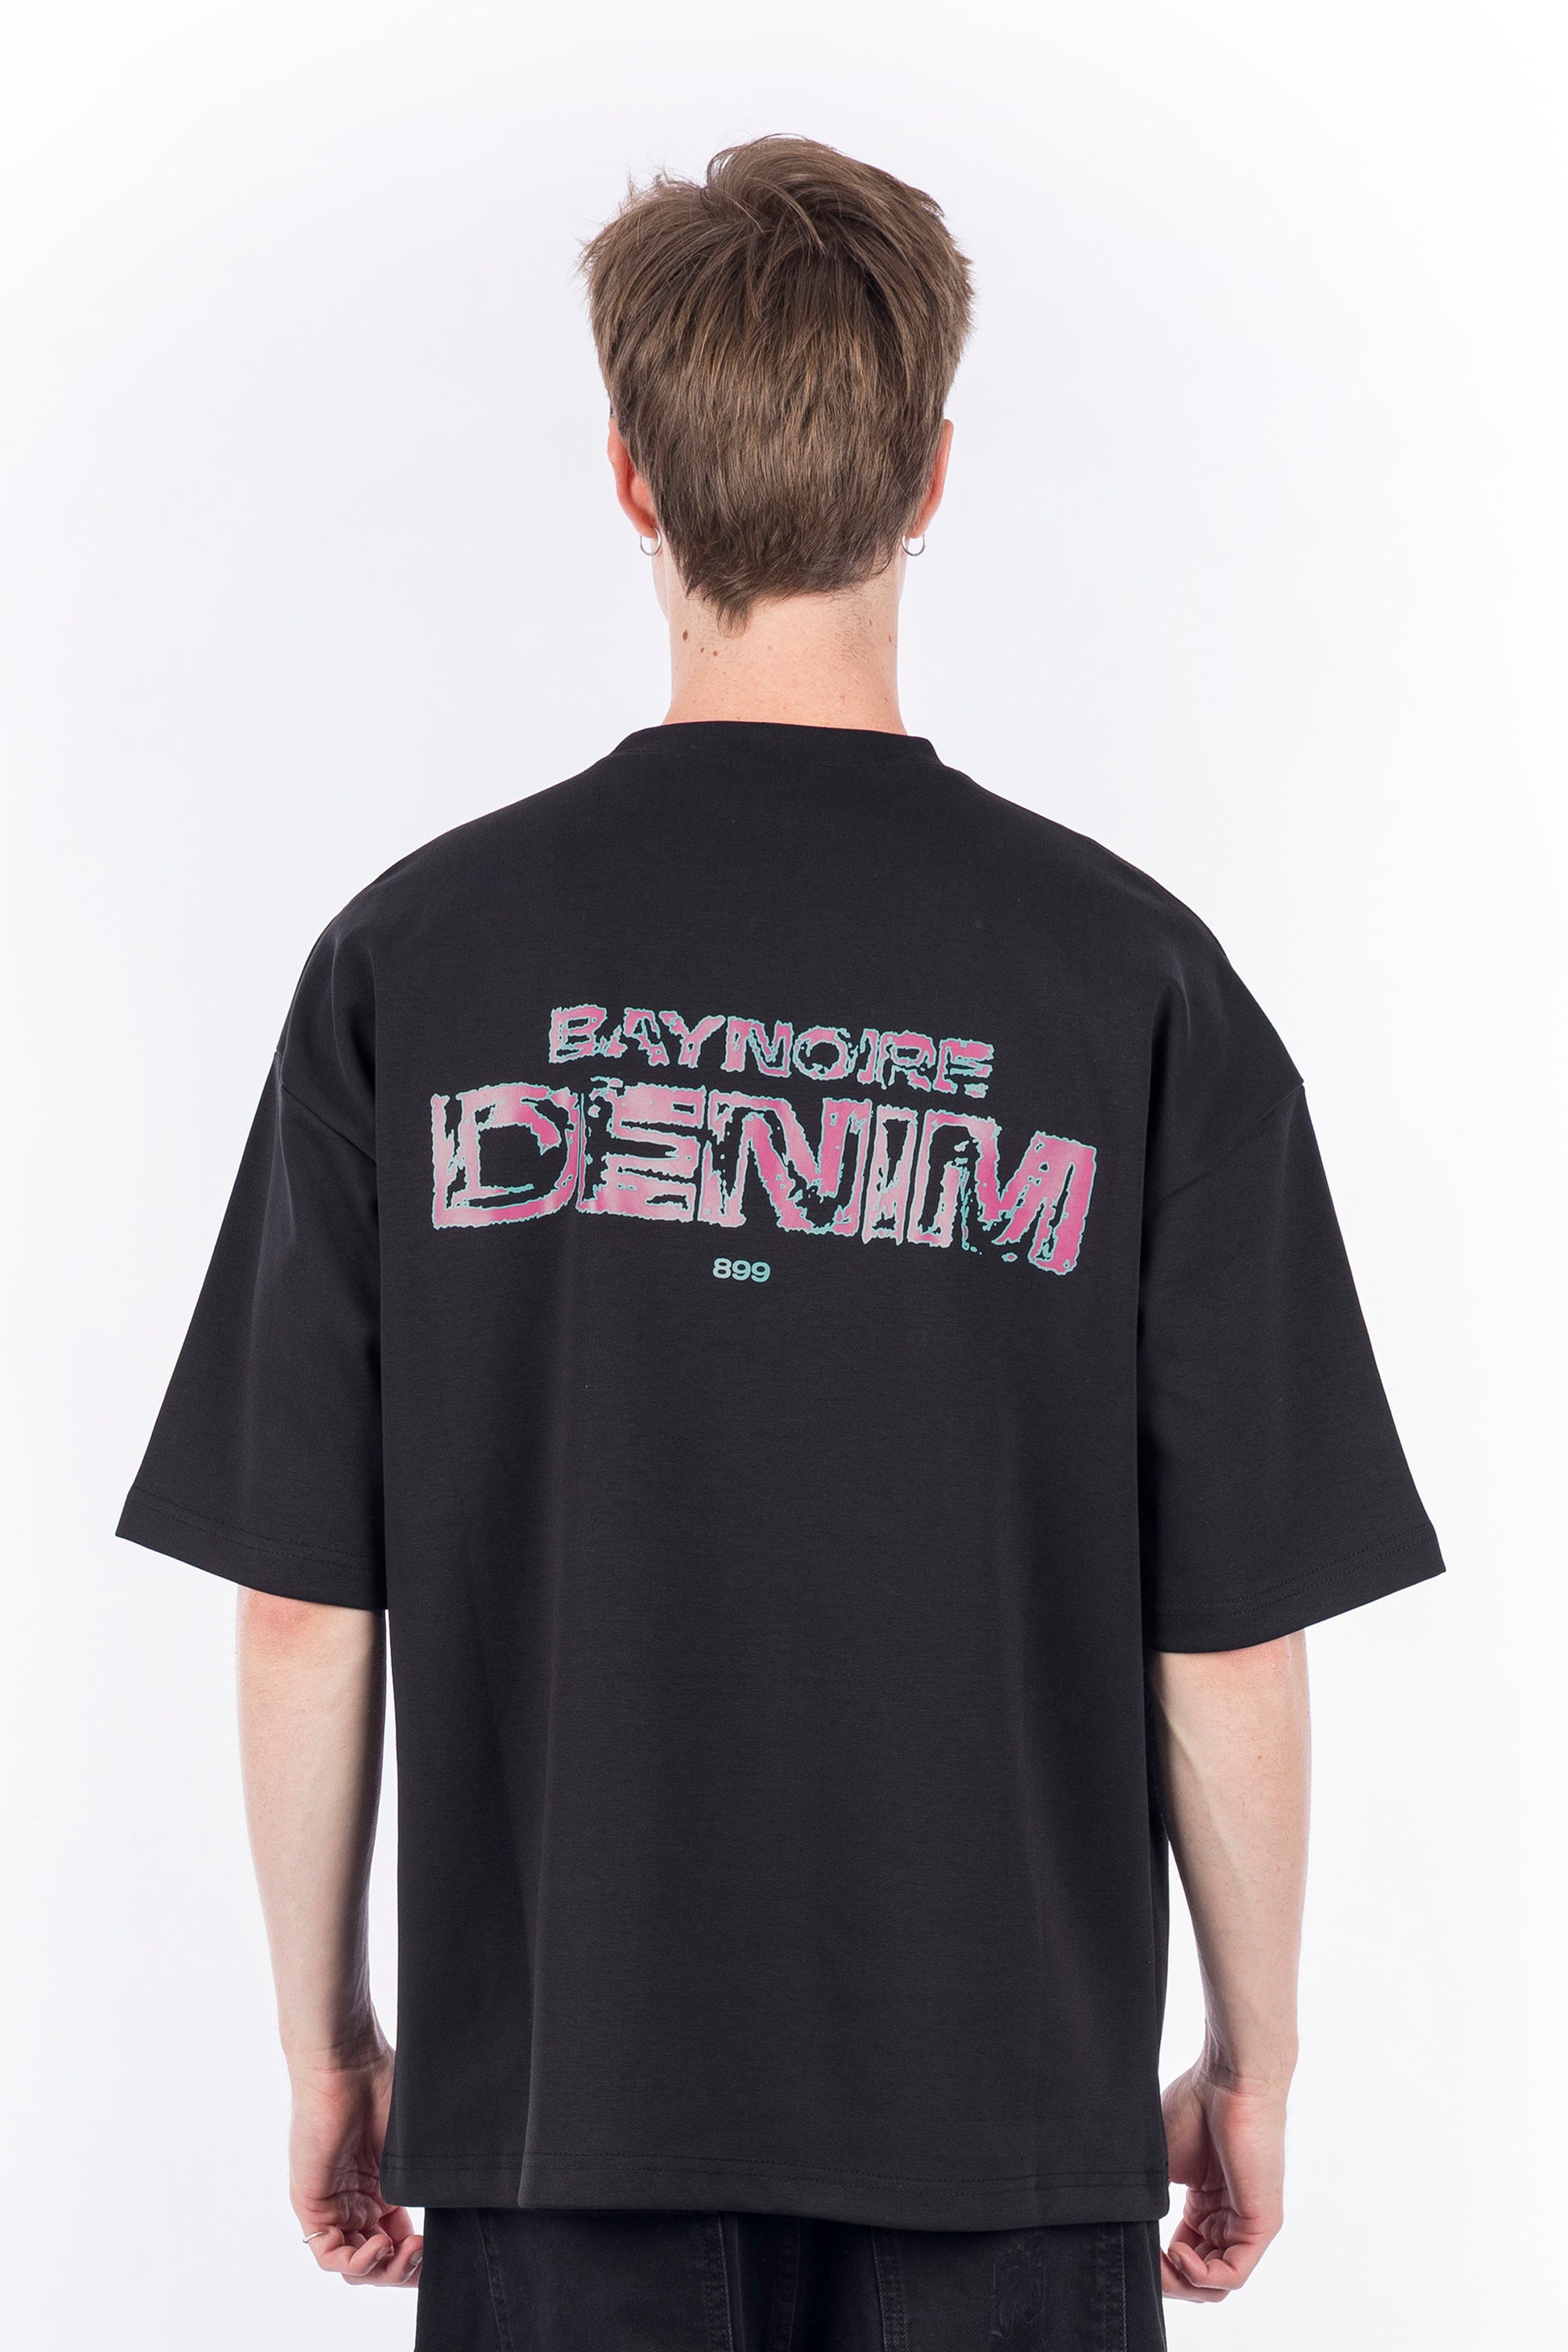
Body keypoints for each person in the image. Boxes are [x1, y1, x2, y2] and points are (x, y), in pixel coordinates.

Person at [118, 137, 1444, 2351]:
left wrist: (327, 2041)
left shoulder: (415, 968)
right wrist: (1255, 2061)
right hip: (1008, 2142)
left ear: (633, 480)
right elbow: (1226, 1634)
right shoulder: (1130, 984)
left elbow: (301, 1603)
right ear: (929, 478)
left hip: (560, 2131)